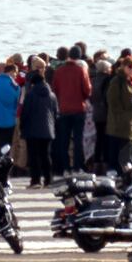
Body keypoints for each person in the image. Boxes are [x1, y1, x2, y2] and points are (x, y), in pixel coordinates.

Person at [51, 47, 92, 176]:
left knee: (64, 140)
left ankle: (65, 168)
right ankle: (77, 168)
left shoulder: (59, 71)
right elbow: (87, 90)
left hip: (63, 109)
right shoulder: (81, 70)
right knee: (78, 140)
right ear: (79, 57)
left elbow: (55, 89)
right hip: (79, 109)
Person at [19, 70, 59, 187]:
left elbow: (25, 113)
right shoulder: (52, 95)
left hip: (32, 130)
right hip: (48, 130)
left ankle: (35, 180)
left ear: (33, 83)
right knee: (46, 155)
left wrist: (22, 127)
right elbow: (56, 113)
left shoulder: (30, 95)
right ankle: (48, 180)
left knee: (33, 156)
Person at [101, 57, 132, 170]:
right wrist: (125, 115)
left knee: (128, 149)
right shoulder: (117, 81)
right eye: (130, 67)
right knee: (116, 147)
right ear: (123, 66)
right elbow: (112, 101)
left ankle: (125, 170)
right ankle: (113, 169)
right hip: (118, 122)